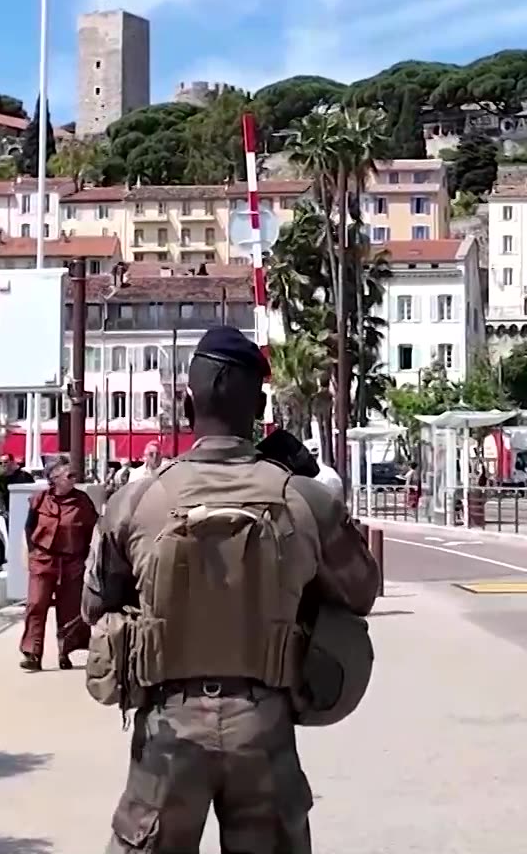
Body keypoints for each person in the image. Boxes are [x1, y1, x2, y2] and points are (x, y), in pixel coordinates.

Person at [85, 325, 380, 853]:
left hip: (167, 728)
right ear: (260, 403)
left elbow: (95, 606)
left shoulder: (135, 501)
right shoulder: (304, 500)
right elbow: (360, 593)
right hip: (263, 724)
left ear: (187, 401)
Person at [21, 461, 100, 672]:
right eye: (69, 475)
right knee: (36, 604)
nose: (73, 479)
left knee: (70, 609)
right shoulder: (39, 500)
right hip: (43, 559)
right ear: (54, 478)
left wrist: (88, 560)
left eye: (74, 475)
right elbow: (29, 528)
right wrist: (31, 554)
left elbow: (94, 530)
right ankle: (32, 653)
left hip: (72, 561)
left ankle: (65, 652)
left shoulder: (82, 501)